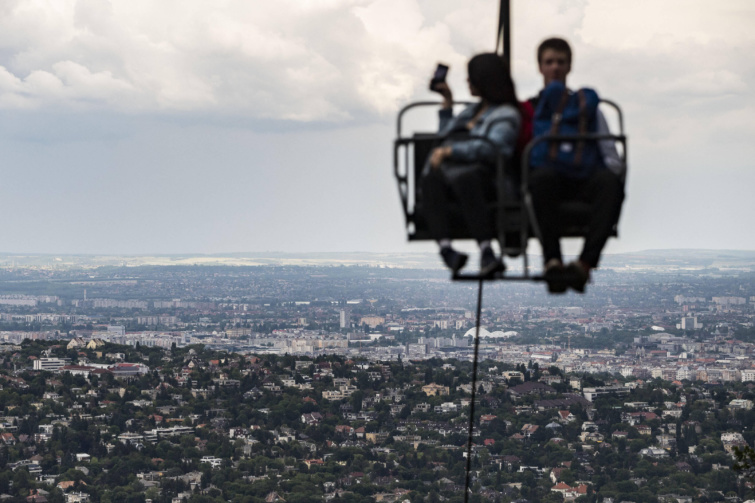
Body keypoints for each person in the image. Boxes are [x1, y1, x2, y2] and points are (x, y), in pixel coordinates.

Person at [528, 38, 625, 293]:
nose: (555, 68)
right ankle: (552, 260)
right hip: (549, 182)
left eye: (560, 62)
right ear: (540, 67)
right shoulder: (532, 109)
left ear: (569, 66)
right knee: (541, 179)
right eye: (550, 62)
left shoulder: (587, 109)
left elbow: (609, 154)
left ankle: (585, 263)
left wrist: (609, 178)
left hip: (583, 181)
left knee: (610, 184)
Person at [422, 53, 521, 276]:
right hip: (453, 176)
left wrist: (452, 152)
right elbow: (444, 138)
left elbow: (495, 148)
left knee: (466, 178)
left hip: (486, 178)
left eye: (471, 77)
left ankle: (486, 250)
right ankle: (446, 250)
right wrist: (447, 102)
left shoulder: (506, 114)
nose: (467, 81)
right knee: (431, 180)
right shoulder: (470, 112)